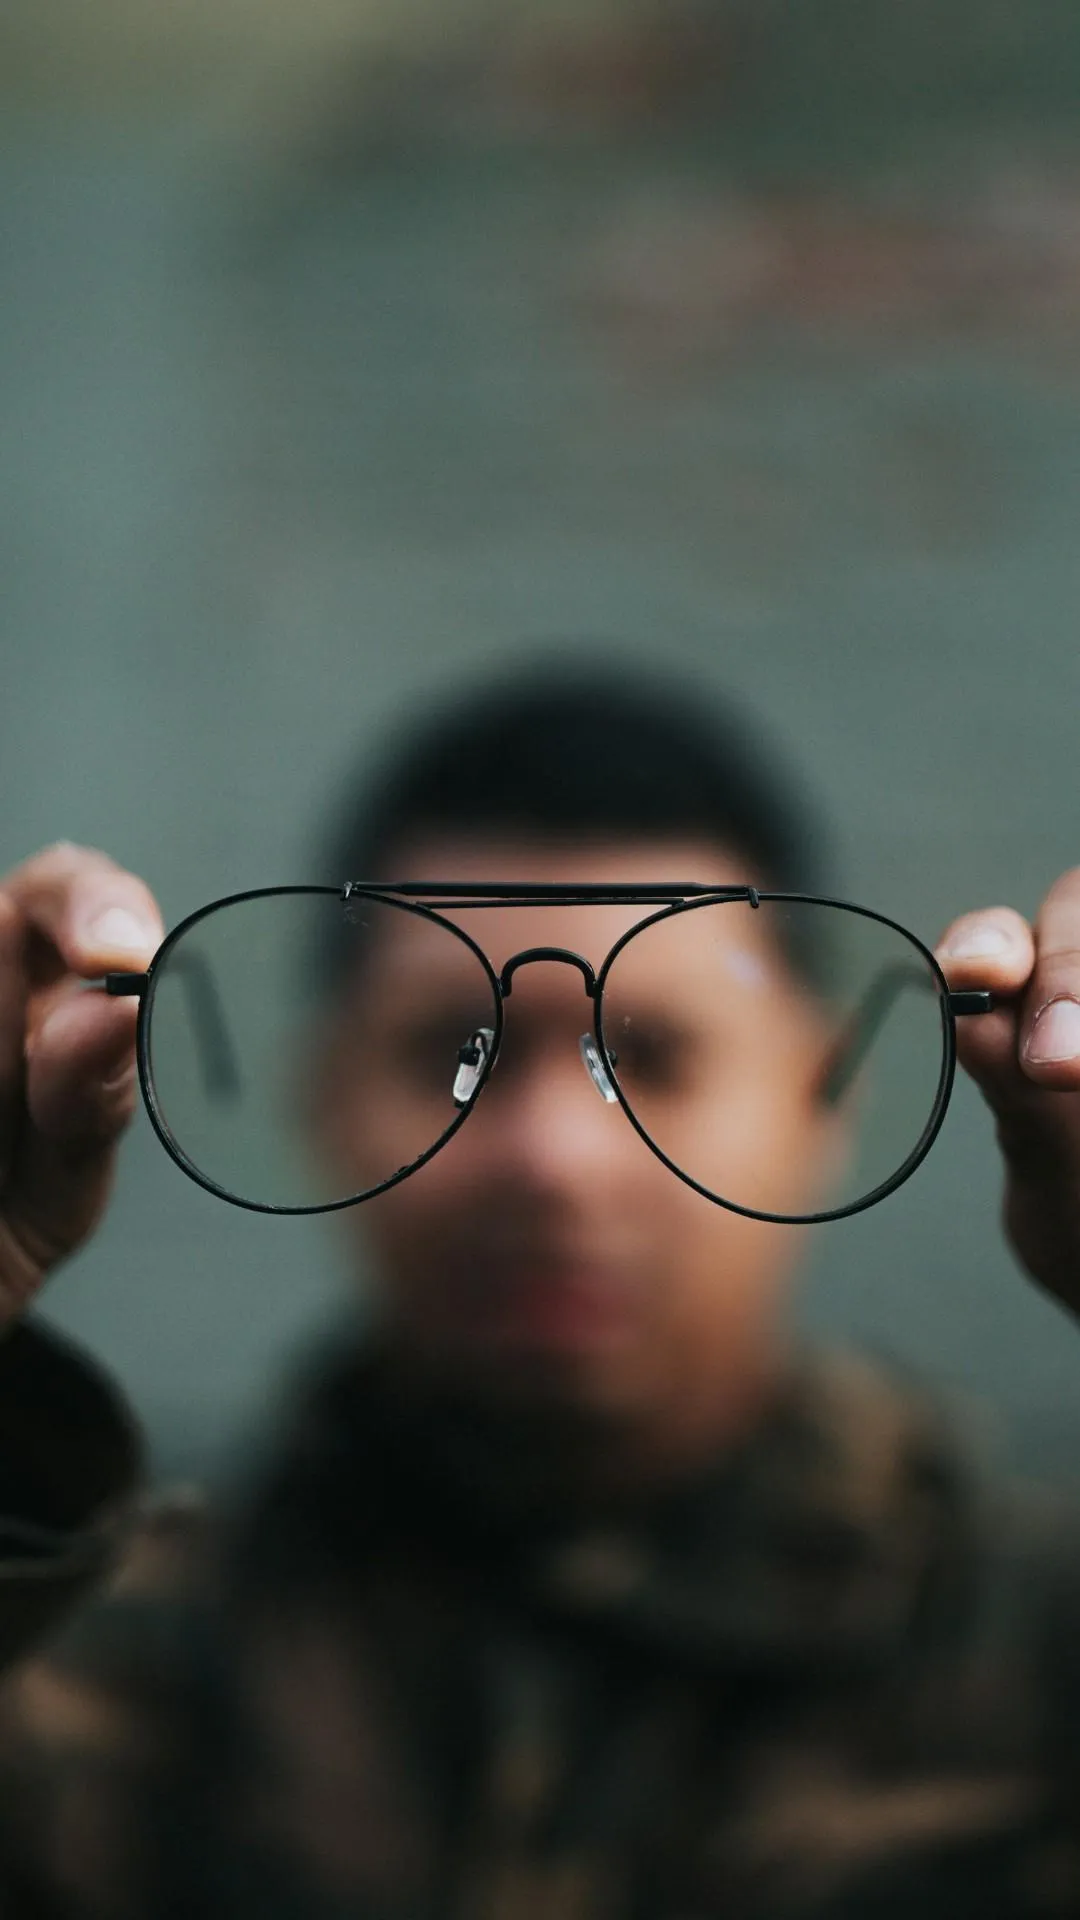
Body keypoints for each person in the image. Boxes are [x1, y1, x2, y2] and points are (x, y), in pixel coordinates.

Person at [1, 658, 1080, 1919]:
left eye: (653, 1054)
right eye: (452, 1049)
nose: (552, 1162)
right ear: (321, 1096)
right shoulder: (77, 1664)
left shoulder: (1037, 1643)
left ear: (822, 1095)